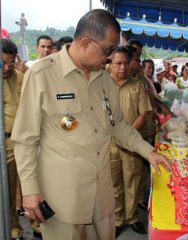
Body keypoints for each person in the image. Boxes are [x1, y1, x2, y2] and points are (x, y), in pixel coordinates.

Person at [11, 9, 171, 240]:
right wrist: (29, 191)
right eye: (107, 50)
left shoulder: (103, 78)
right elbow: (25, 139)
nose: (109, 58)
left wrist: (149, 153)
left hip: (101, 192)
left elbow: (118, 126)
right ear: (85, 42)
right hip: (63, 196)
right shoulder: (42, 74)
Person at [109, 47, 152, 236]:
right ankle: (118, 218)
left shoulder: (137, 85)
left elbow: (144, 113)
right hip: (108, 144)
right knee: (114, 184)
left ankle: (133, 217)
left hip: (131, 144)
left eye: (126, 62)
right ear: (110, 64)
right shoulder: (101, 85)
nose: (122, 67)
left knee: (132, 182)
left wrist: (127, 137)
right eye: (118, 63)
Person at [2, 39, 25, 240]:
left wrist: (24, 68)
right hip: (5, 143)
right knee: (8, 191)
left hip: (26, 142)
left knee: (31, 187)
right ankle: (14, 230)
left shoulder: (20, 77)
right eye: (3, 63)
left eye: (11, 62)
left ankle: (37, 226)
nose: (7, 67)